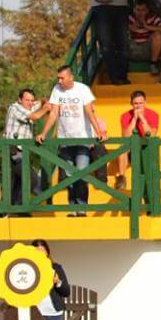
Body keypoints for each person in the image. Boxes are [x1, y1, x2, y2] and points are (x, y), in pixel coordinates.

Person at [38, 65, 107, 216]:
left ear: (71, 77)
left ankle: (82, 208)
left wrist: (98, 131)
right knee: (69, 175)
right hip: (64, 138)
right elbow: (54, 113)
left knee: (81, 172)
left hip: (82, 137)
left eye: (62, 78)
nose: (59, 80)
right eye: (58, 78)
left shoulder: (83, 89)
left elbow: (89, 111)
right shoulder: (56, 89)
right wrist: (44, 133)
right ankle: (72, 208)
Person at [3, 88, 49, 205]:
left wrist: (45, 101)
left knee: (18, 182)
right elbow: (35, 116)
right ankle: (19, 207)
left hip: (23, 151)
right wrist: (46, 108)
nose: (30, 103)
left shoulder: (29, 106)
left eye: (31, 100)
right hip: (13, 149)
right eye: (27, 100)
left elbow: (38, 103)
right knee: (31, 179)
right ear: (19, 100)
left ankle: (12, 209)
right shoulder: (15, 108)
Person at [116, 90, 159, 190]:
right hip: (132, 149)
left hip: (147, 148)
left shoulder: (153, 115)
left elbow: (151, 135)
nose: (138, 106)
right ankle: (121, 177)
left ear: (145, 102)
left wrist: (143, 119)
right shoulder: (125, 116)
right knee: (122, 148)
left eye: (141, 103)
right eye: (136, 103)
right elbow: (126, 137)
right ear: (131, 103)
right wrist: (134, 119)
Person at [128, 0, 161, 76]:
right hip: (132, 49)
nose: (140, 13)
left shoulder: (153, 18)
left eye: (143, 10)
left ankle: (153, 64)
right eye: (138, 10)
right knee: (121, 33)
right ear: (134, 10)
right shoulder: (129, 18)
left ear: (147, 10)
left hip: (148, 50)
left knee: (158, 35)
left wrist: (148, 27)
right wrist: (130, 27)